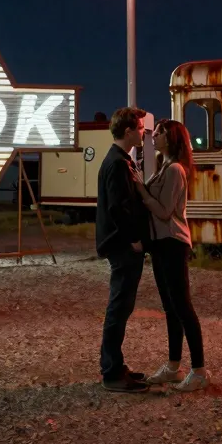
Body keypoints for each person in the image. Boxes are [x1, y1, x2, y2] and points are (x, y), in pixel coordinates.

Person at [135, 118, 208, 391]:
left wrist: (141, 191)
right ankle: (173, 366)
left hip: (173, 243)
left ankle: (199, 370)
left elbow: (165, 211)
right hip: (161, 244)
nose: (156, 135)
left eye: (162, 132)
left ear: (172, 139)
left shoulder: (175, 169)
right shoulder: (164, 166)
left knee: (183, 307)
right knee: (170, 308)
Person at [96, 107, 151, 392]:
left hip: (119, 244)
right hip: (122, 246)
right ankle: (112, 373)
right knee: (119, 307)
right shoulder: (118, 163)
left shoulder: (118, 159)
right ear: (129, 131)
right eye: (140, 128)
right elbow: (119, 207)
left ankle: (115, 366)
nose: (144, 132)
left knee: (121, 306)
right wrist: (133, 240)